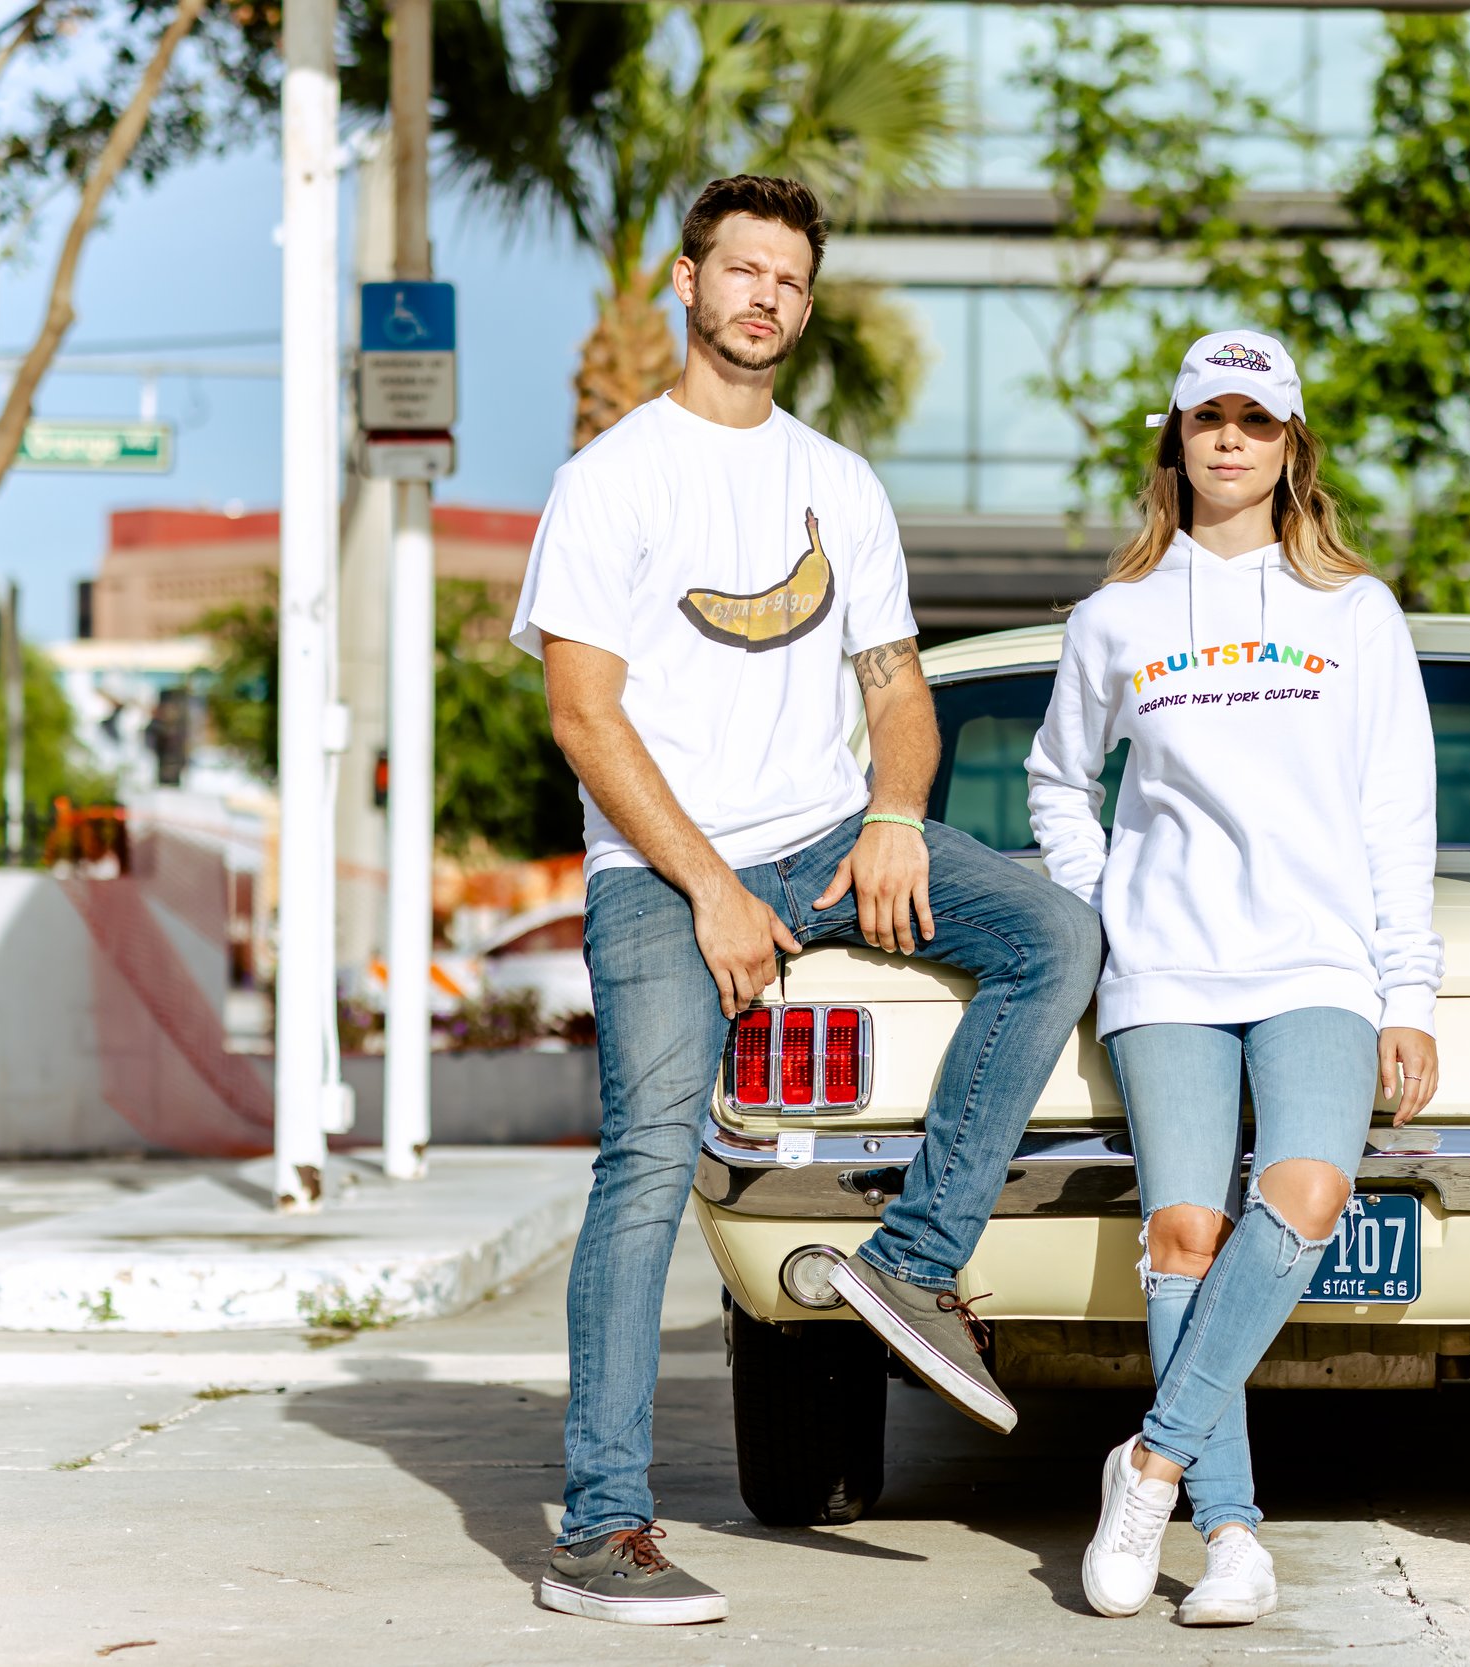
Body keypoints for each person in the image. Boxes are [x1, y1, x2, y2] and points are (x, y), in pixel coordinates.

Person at [512, 174, 1100, 1626]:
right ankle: (603, 1525)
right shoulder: (612, 478)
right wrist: (709, 885)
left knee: (1053, 933)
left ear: (806, 305)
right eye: (742, 270)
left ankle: (913, 1262)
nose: (764, 296)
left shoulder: (840, 482)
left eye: (788, 278)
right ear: (688, 283)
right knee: (649, 1159)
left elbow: (895, 691)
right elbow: (583, 714)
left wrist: (896, 814)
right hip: (662, 870)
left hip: (830, 834)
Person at [1026, 330, 1444, 1627]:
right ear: (1177, 438)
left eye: (1255, 421)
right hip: (1168, 970)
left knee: (1308, 1193)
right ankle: (1232, 1536)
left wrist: (1409, 992)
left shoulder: (1355, 611)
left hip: (1317, 959)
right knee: (1185, 1234)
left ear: (1288, 446)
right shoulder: (1116, 616)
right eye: (1208, 417)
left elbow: (1398, 810)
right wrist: (1111, 905)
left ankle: (1148, 1465)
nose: (1229, 439)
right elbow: (1057, 781)